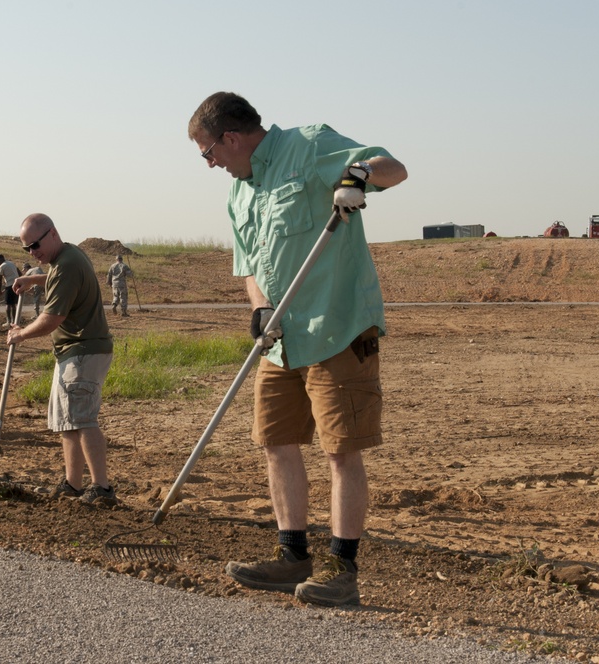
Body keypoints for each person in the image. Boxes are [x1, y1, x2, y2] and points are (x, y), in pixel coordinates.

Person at [188, 92, 407, 606]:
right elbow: (249, 267)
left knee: (340, 449)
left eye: (208, 152)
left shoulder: (308, 146)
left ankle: (341, 568)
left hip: (338, 326)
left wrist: (357, 178)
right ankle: (293, 558)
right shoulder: (239, 193)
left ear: (231, 138)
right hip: (281, 340)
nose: (210, 163)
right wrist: (261, 307)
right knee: (276, 441)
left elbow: (393, 168)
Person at [8, 213, 117, 506]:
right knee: (67, 422)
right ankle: (73, 483)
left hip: (82, 350)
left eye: (35, 245)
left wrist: (21, 334)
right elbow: (63, 277)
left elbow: (52, 318)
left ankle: (102, 489)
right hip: (74, 351)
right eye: (26, 249)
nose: (32, 252)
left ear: (52, 233)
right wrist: (35, 279)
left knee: (82, 419)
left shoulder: (66, 264)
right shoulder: (68, 256)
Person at [0, 254, 20, 327]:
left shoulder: (1, 266)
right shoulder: (11, 263)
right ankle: (14, 321)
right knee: (13, 304)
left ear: (0, 259)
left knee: (8, 304)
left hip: (9, 285)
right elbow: (20, 273)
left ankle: (8, 322)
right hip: (16, 285)